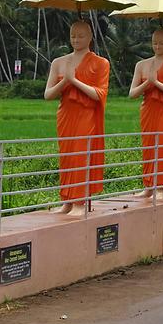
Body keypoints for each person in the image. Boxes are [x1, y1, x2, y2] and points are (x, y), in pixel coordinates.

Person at [44, 20, 110, 215]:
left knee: (82, 156)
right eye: (73, 35)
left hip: (86, 117)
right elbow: (48, 95)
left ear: (90, 37)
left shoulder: (100, 63)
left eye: (81, 36)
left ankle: (80, 202)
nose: (76, 39)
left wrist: (75, 81)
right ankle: (67, 200)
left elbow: (99, 94)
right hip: (66, 115)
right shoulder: (59, 62)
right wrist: (65, 81)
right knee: (67, 157)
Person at [128, 28, 163, 197]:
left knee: (162, 147)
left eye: (162, 43)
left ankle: (160, 186)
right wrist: (147, 84)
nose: (158, 46)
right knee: (148, 147)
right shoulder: (142, 65)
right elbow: (132, 93)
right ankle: (148, 185)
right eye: (154, 42)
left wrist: (157, 83)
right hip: (148, 111)